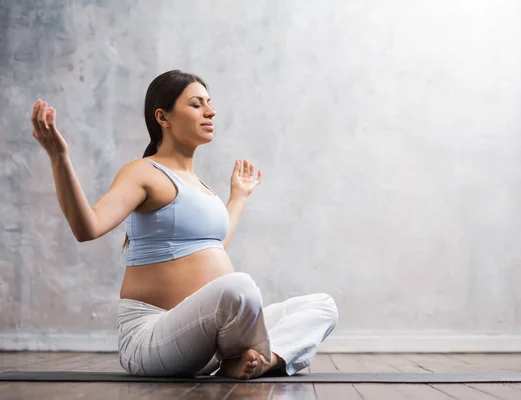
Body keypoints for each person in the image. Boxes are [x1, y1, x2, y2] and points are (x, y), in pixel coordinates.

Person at [30, 69, 338, 379]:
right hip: (152, 339)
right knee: (240, 287)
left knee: (322, 306)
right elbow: (88, 227)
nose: (210, 111)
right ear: (163, 117)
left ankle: (261, 360)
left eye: (209, 103)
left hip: (209, 343)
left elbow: (212, 245)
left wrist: (239, 197)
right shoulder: (143, 172)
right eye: (196, 104)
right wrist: (59, 158)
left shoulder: (200, 185)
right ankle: (248, 356)